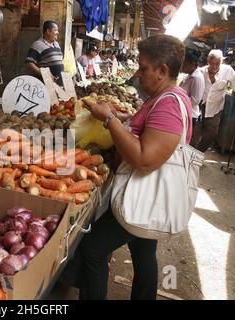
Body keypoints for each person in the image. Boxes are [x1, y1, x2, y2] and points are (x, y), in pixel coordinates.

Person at [77, 34, 193, 300]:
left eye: (143, 68)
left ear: (162, 71)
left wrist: (109, 120)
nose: (138, 74)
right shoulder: (166, 97)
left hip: (143, 192)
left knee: (93, 249)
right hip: (149, 198)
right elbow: (149, 133)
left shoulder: (169, 105)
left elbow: (144, 159)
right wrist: (127, 120)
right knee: (143, 250)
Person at [195, 49, 235, 152]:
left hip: (215, 109)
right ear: (208, 61)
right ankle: (189, 155)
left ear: (221, 62)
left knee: (211, 134)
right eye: (211, 63)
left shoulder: (227, 70)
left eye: (217, 64)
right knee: (194, 133)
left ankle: (198, 154)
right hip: (199, 106)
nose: (214, 66)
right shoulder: (200, 72)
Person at [25, 21, 64, 85]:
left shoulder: (56, 44)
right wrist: (45, 74)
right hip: (45, 84)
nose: (58, 33)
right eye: (55, 30)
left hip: (58, 84)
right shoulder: (37, 44)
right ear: (48, 31)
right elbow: (29, 63)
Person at [180, 48, 205, 147]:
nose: (181, 65)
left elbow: (195, 100)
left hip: (190, 115)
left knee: (183, 145)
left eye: (184, 63)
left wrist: (178, 100)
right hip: (184, 113)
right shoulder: (189, 75)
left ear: (191, 63)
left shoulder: (197, 78)